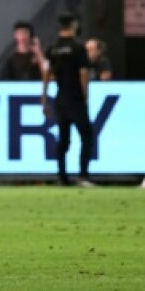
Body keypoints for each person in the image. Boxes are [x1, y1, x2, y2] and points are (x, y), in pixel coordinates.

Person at [41, 14, 94, 187]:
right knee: (87, 136)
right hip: (75, 98)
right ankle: (83, 176)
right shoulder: (79, 48)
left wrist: (44, 98)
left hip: (60, 98)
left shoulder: (52, 49)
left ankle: (62, 176)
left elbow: (47, 74)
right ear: (73, 25)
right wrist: (85, 94)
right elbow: (83, 73)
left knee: (64, 139)